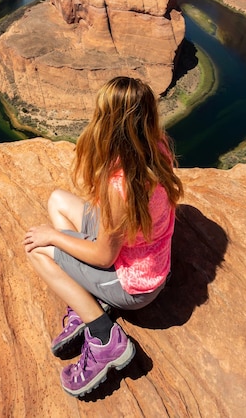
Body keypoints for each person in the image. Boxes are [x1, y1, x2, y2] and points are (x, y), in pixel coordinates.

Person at [23, 76, 183, 397]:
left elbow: (103, 257)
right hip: (141, 254)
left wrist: (53, 236)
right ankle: (86, 300)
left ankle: (103, 335)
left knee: (36, 249)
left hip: (134, 285)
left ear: (108, 122)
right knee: (57, 200)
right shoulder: (157, 146)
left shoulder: (119, 186)